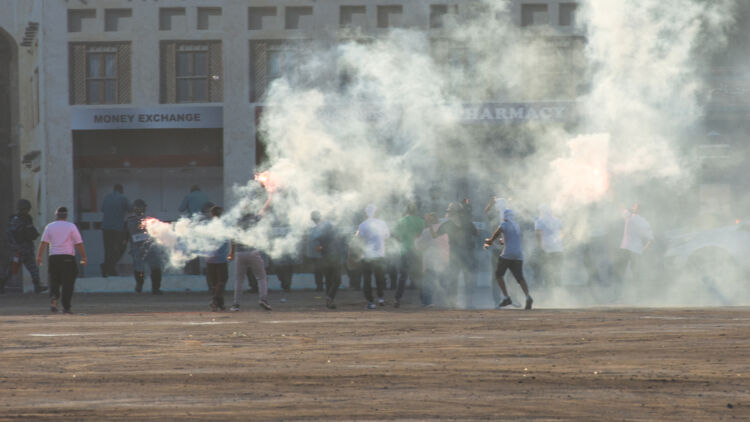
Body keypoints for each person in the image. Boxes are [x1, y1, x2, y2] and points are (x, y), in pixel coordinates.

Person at [36, 207, 87, 314]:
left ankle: (54, 299)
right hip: (68, 257)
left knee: (54, 279)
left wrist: (39, 256)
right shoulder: (71, 226)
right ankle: (66, 307)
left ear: (56, 215)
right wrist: (83, 257)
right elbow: (79, 243)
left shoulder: (50, 226)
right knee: (68, 282)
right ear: (66, 216)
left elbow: (44, 242)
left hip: (54, 257)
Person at [428, 202, 478, 307]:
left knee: (463, 279)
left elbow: (434, 235)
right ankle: (458, 302)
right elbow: (477, 233)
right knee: (456, 279)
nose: (448, 212)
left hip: (463, 255)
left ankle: (464, 302)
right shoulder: (455, 224)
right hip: (459, 255)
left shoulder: (455, 224)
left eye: (450, 211)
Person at [484, 209, 533, 310]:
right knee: (520, 277)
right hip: (518, 254)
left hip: (507, 254)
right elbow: (511, 238)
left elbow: (496, 234)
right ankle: (528, 297)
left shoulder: (504, 224)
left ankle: (506, 297)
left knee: (498, 274)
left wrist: (489, 241)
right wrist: (503, 240)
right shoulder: (517, 226)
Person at [229, 212, 272, 312]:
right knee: (261, 277)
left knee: (239, 280)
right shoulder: (253, 221)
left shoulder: (237, 223)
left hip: (240, 253)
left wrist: (231, 253)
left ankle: (236, 304)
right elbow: (264, 211)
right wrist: (269, 199)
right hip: (252, 252)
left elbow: (232, 239)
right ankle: (263, 299)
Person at [6, 199, 46, 294]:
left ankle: (37, 287)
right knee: (11, 269)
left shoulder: (25, 219)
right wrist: (15, 247)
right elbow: (11, 234)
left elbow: (30, 232)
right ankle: (1, 286)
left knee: (33, 269)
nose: (26, 211)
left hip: (25, 249)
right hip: (19, 250)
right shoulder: (17, 220)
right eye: (25, 209)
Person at [125, 199, 164, 295]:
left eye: (141, 207)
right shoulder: (130, 221)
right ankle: (140, 285)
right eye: (138, 208)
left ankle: (154, 288)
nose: (140, 209)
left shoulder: (149, 220)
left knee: (154, 268)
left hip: (148, 247)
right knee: (140, 269)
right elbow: (126, 235)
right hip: (139, 248)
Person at [356, 204, 390, 309]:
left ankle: (371, 302)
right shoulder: (382, 223)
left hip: (367, 256)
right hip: (380, 254)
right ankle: (381, 298)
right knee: (380, 278)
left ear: (366, 213)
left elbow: (359, 239)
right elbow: (387, 236)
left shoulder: (362, 225)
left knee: (367, 280)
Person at [392, 202, 425, 308]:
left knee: (402, 276)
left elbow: (396, 236)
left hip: (405, 251)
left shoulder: (401, 221)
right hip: (417, 251)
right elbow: (422, 235)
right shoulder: (421, 221)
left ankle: (397, 299)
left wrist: (403, 240)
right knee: (419, 276)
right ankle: (424, 300)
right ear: (416, 211)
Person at [614, 203, 653, 285]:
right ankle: (636, 291)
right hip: (633, 249)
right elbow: (650, 239)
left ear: (637, 209)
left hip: (628, 248)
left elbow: (619, 206)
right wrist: (642, 250)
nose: (633, 207)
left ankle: (621, 289)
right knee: (634, 272)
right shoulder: (642, 221)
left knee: (623, 270)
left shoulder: (631, 216)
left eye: (635, 206)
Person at [415, 212, 449, 306]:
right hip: (444, 259)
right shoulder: (444, 230)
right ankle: (448, 301)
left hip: (430, 260)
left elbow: (418, 246)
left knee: (429, 283)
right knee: (444, 282)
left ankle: (428, 303)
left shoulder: (426, 231)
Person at [179, 185, 211, 275]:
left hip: (193, 223)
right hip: (204, 223)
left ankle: (194, 270)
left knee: (192, 247)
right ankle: (206, 269)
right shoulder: (205, 196)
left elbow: (181, 209)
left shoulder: (189, 196)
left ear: (191, 190)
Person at [100, 184, 129, 277]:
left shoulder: (107, 197)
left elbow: (102, 209)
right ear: (121, 190)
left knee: (108, 249)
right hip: (117, 228)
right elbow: (130, 208)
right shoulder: (123, 198)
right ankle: (109, 267)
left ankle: (108, 269)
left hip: (106, 228)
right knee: (121, 248)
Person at [205, 206, 231, 311]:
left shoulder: (207, 226)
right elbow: (232, 238)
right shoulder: (225, 225)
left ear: (211, 214)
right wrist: (231, 252)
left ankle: (220, 304)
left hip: (209, 258)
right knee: (222, 280)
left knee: (215, 282)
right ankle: (215, 300)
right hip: (220, 258)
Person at [534, 205, 564, 287]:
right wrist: (558, 242)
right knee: (557, 269)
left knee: (547, 269)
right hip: (558, 248)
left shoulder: (539, 221)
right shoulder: (558, 220)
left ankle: (549, 287)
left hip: (546, 249)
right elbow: (562, 233)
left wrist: (540, 247)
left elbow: (537, 235)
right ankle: (558, 286)